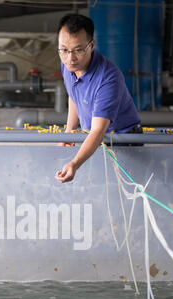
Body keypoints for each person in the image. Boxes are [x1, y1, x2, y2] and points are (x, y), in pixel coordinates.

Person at [55, 14, 142, 184]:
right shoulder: (68, 64)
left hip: (122, 143)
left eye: (78, 50)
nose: (70, 58)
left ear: (91, 45)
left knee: (121, 200)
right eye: (64, 50)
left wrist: (74, 163)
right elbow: (74, 95)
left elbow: (98, 131)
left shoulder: (108, 78)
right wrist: (69, 132)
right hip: (93, 140)